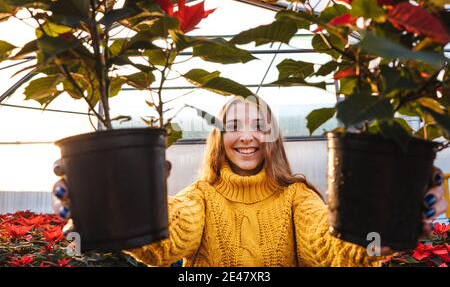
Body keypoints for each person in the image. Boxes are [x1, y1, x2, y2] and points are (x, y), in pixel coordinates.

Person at [52, 96, 448, 267]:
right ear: (219, 138)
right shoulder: (202, 196)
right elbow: (169, 236)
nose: (247, 137)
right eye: (234, 127)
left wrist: (380, 233)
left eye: (259, 127)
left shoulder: (296, 197)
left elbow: (329, 248)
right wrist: (121, 206)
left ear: (272, 136)